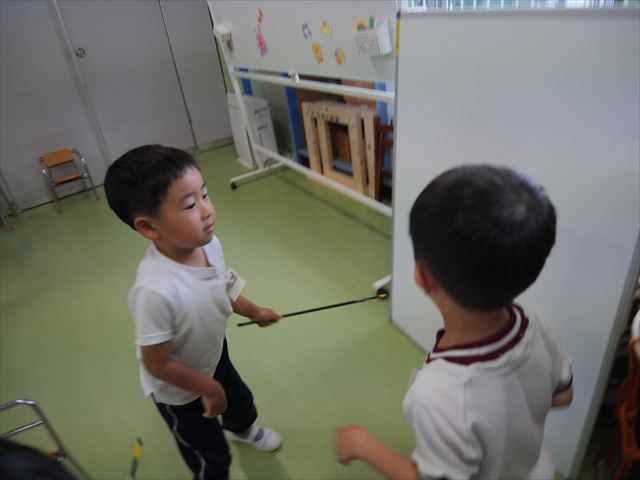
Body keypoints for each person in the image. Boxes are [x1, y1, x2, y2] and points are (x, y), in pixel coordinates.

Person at [335, 165, 573, 479]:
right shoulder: (539, 320)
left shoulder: (437, 396)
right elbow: (563, 396)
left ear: (422, 277)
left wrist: (362, 444)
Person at [104, 145, 282, 480]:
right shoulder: (154, 292)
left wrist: (254, 311)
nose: (206, 210)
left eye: (205, 195)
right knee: (210, 456)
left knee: (241, 402)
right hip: (180, 391)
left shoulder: (209, 244)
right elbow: (157, 364)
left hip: (213, 355)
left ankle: (243, 430)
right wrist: (208, 389)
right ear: (148, 227)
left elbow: (225, 287)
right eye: (189, 205)